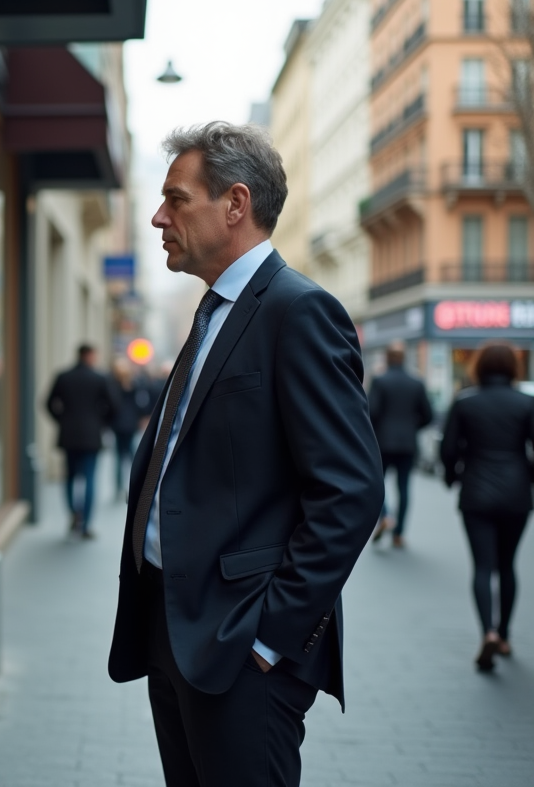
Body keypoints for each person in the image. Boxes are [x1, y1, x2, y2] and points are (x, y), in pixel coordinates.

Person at [108, 122, 383, 787]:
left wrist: (268, 640)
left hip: (239, 647)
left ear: (235, 204)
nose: (157, 216)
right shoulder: (212, 311)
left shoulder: (299, 311)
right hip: (174, 629)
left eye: (177, 200)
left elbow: (349, 494)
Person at [439, 342, 534, 672]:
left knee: (482, 567)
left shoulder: (465, 403)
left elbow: (449, 449)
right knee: (507, 566)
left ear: (478, 367)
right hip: (517, 495)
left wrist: (452, 477)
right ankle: (505, 635)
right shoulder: (527, 403)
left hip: (476, 492)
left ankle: (487, 632)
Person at [45, 344, 116, 539]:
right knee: (90, 479)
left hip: (68, 435)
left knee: (69, 477)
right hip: (91, 436)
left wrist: (62, 420)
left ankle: (73, 514)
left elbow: (49, 403)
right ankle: (85, 525)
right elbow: (113, 405)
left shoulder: (63, 376)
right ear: (90, 356)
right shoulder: (99, 378)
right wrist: (100, 423)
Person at [368, 341, 434, 548]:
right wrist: (412, 427)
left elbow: (371, 412)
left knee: (378, 485)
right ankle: (399, 533)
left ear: (387, 358)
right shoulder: (416, 382)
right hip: (407, 443)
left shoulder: (380, 381)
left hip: (383, 442)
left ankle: (385, 516)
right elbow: (428, 415)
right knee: (404, 487)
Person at [110, 362, 162, 501]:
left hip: (118, 424)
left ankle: (120, 487)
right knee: (132, 454)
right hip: (131, 422)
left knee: (119, 456)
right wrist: (142, 416)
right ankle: (137, 482)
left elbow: (110, 405)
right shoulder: (135, 385)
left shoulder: (113, 386)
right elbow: (141, 403)